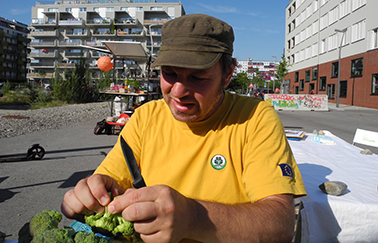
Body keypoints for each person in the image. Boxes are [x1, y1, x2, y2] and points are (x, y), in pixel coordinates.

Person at [62, 14, 306, 243]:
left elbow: (280, 224)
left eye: (198, 77)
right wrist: (90, 193)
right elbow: (110, 182)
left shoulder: (254, 119)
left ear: (228, 74)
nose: (178, 92)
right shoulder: (144, 118)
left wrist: (194, 217)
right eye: (169, 73)